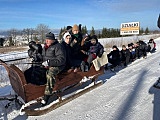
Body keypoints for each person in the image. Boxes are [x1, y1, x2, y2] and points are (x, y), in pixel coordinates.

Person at [41, 32, 66, 105]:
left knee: (50, 74)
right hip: (47, 64)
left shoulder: (58, 46)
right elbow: (43, 57)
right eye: (46, 39)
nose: (47, 41)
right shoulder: (45, 47)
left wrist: (49, 62)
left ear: (53, 40)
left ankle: (47, 95)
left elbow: (61, 59)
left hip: (58, 66)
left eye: (48, 39)